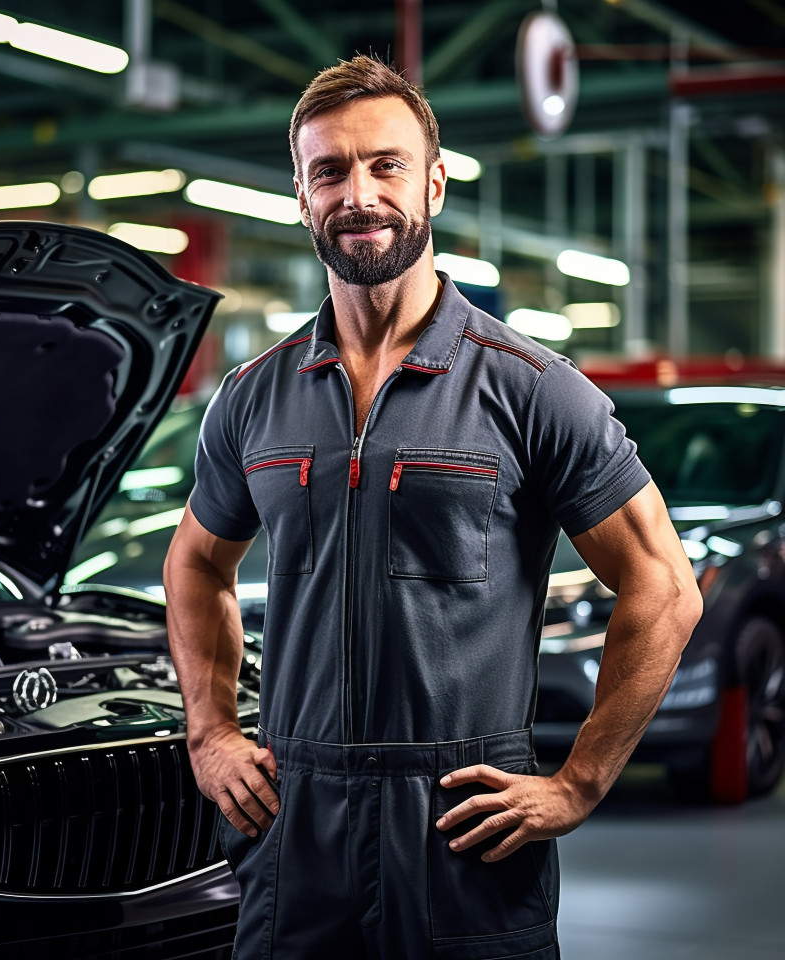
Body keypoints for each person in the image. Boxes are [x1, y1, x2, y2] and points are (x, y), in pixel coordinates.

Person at [163, 54, 702, 960]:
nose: (358, 193)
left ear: (435, 183)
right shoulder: (253, 398)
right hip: (297, 829)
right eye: (329, 171)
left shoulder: (533, 388)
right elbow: (196, 562)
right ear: (301, 195)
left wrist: (577, 784)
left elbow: (665, 588)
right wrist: (211, 731)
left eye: (387, 165)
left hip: (462, 829)